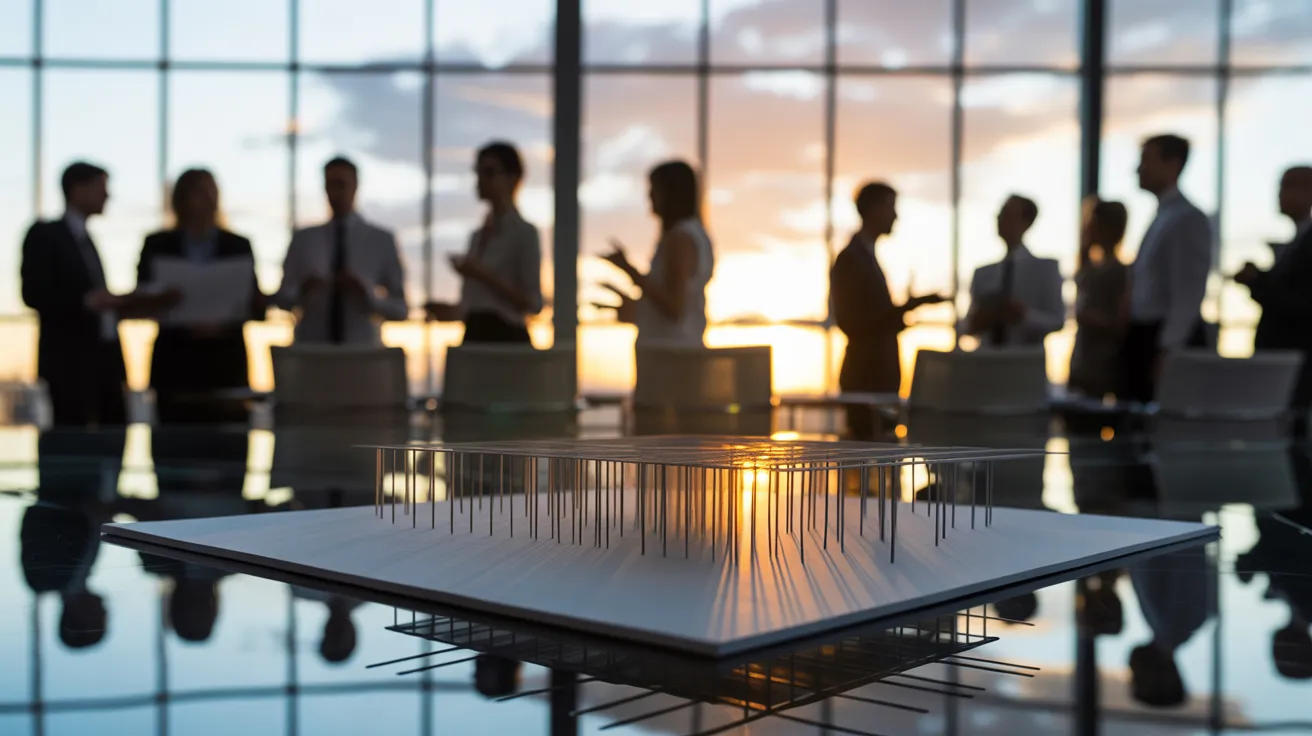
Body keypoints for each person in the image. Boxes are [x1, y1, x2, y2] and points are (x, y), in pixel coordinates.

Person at [20, 162, 169, 426]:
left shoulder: (86, 239)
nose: (107, 196)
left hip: (104, 361)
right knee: (72, 441)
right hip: (70, 363)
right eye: (101, 188)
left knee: (111, 435)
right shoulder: (47, 235)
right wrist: (89, 301)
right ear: (78, 190)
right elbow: (34, 292)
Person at [137, 169, 265, 423]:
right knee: (175, 448)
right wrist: (162, 300)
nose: (209, 198)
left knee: (229, 449)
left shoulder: (237, 245)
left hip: (225, 362)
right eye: (201, 191)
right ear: (182, 198)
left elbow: (255, 305)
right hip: (176, 364)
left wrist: (250, 304)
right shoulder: (157, 244)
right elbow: (141, 298)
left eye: (213, 191)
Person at [830, 182, 946, 438]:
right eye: (890, 207)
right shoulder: (852, 259)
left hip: (873, 376)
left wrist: (901, 312)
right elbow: (852, 322)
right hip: (867, 378)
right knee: (869, 456)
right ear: (873, 210)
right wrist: (905, 308)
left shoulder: (861, 256)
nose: (896, 215)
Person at [274, 156, 409, 344]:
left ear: (355, 186)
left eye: (340, 184)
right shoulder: (303, 240)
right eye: (330, 185)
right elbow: (282, 298)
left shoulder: (381, 241)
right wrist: (302, 291)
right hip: (312, 351)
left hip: (362, 354)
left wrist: (367, 295)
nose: (335, 193)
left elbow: (401, 310)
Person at [1122, 134, 1213, 404]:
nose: (1139, 169)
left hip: (1162, 338)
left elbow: (1189, 290)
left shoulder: (1188, 218)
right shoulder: (1166, 215)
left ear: (1173, 164)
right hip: (1149, 335)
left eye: (1146, 160)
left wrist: (1168, 348)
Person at [424, 142, 543, 343]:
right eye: (478, 172)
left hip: (507, 340)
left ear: (513, 179)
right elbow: (481, 304)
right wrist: (454, 311)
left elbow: (533, 303)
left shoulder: (525, 233)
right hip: (474, 336)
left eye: (489, 172)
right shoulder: (477, 237)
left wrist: (480, 274)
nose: (480, 180)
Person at [598, 160, 714, 347]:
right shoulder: (694, 234)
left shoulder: (680, 238)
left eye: (654, 189)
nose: (649, 196)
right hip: (674, 356)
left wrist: (630, 271)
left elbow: (675, 307)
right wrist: (637, 310)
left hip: (669, 360)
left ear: (671, 193)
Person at [1235, 165, 1312, 428]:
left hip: (1295, 368)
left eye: (1290, 186)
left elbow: (1302, 305)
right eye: (1282, 185)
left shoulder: (1306, 243)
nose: (1281, 193)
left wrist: (1259, 282)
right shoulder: (1298, 242)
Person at [958, 194, 1065, 348]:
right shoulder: (982, 273)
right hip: (986, 361)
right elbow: (967, 325)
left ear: (1026, 222)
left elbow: (1057, 321)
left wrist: (1024, 315)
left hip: (1026, 364)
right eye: (1001, 213)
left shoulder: (1045, 269)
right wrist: (978, 322)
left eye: (1008, 213)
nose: (1000, 219)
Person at [1069, 197, 1131, 399]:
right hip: (1084, 364)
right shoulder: (1089, 270)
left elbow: (1121, 322)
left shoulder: (1119, 272)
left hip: (1103, 368)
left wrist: (1091, 318)